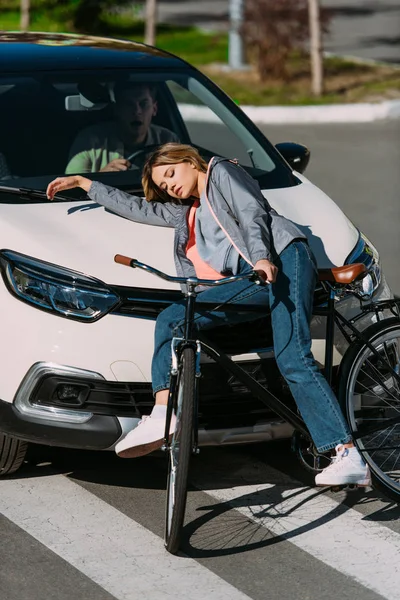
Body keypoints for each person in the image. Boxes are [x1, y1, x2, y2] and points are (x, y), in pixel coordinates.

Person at [47, 142, 371, 488]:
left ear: (189, 161)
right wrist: (86, 185)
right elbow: (136, 208)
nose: (169, 186)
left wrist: (262, 257)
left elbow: (251, 212)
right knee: (174, 318)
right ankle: (163, 413)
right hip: (254, 275)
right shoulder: (186, 211)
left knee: (293, 357)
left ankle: (347, 453)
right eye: (163, 185)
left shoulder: (221, 172)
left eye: (171, 174)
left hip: (281, 257)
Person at [65, 82, 179, 174]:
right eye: (129, 104)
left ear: (154, 109)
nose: (137, 111)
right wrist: (102, 177)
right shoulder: (89, 142)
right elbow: (70, 187)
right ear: (117, 109)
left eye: (143, 104)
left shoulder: (168, 141)